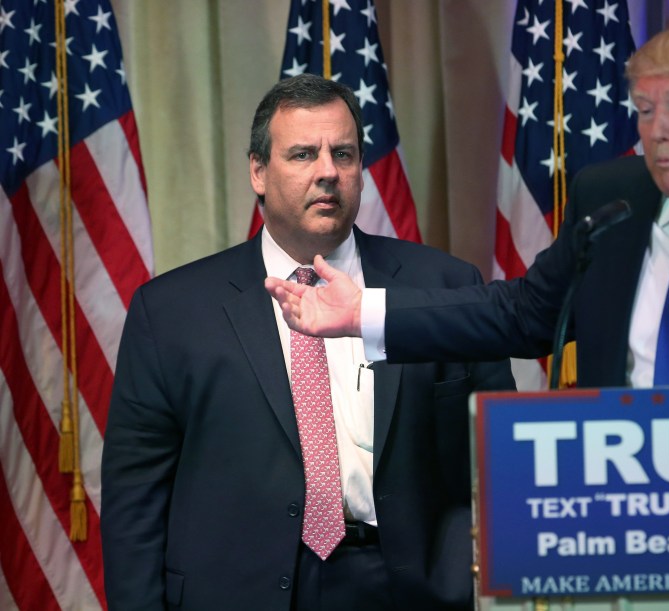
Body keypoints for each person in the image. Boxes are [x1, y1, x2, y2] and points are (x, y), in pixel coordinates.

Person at [100, 73, 515, 611]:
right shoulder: (172, 311)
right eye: (302, 154)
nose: (327, 172)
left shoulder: (444, 287)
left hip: (413, 589)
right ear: (258, 171)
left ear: (362, 170)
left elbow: (498, 462)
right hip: (239, 591)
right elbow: (135, 495)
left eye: (343, 154)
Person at [266, 23, 669, 388]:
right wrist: (364, 312)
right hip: (628, 515)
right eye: (644, 109)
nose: (657, 131)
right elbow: (522, 314)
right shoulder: (613, 200)